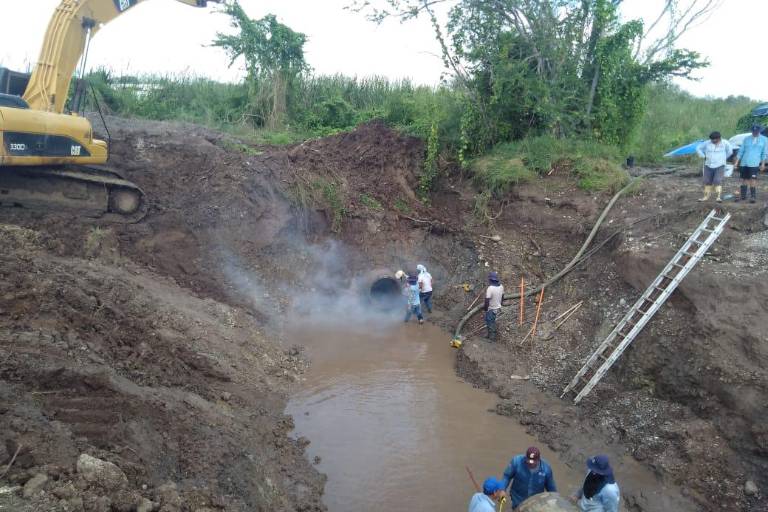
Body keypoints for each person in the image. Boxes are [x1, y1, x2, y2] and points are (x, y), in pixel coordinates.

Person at [695, 131, 733, 203]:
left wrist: (723, 158)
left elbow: (730, 152)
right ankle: (706, 197)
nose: (713, 141)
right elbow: (698, 148)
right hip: (708, 164)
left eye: (715, 140)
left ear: (719, 138)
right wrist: (703, 156)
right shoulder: (707, 143)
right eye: (712, 140)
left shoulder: (725, 143)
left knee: (717, 180)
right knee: (707, 181)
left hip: (720, 165)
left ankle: (718, 197)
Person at [733, 124, 767, 203]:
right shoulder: (746, 139)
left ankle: (753, 197)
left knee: (753, 179)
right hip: (744, 162)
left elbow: (764, 153)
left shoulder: (764, 140)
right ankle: (743, 195)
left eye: (756, 131)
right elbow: (741, 151)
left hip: (754, 163)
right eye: (753, 131)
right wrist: (736, 163)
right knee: (744, 179)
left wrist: (762, 164)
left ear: (759, 131)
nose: (754, 132)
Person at [484, 271, 504, 342]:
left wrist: (486, 309)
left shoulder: (490, 288)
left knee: (490, 321)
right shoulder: (501, 286)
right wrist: (500, 303)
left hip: (491, 308)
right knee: (492, 321)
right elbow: (502, 296)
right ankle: (489, 334)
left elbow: (487, 300)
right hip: (498, 307)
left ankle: (492, 337)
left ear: (491, 280)